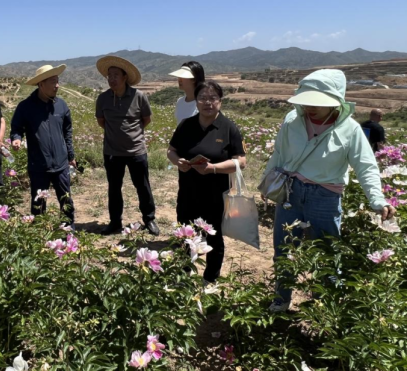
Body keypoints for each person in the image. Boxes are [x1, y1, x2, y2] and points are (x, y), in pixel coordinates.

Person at [263, 69, 396, 312]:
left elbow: (365, 166)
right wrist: (267, 182)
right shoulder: (292, 120)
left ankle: (324, 305)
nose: (310, 107)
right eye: (307, 101)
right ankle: (281, 298)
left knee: (327, 254)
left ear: (336, 101)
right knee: (283, 248)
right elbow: (279, 154)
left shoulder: (351, 129)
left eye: (318, 103)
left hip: (325, 196)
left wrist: (377, 199)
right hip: (290, 191)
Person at [166, 80, 247, 282]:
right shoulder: (187, 125)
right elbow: (171, 150)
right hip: (188, 192)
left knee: (214, 238)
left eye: (213, 98)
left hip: (216, 195)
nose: (207, 102)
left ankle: (210, 278)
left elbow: (241, 161)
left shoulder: (228, 128)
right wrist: (178, 162)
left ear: (220, 101)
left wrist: (213, 169)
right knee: (185, 235)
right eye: (202, 98)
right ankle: (183, 276)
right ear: (197, 101)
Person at [95, 56, 159, 236]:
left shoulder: (138, 96)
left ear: (125, 77)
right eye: (109, 75)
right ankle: (115, 222)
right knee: (114, 188)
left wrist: (132, 136)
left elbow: (146, 120)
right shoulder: (103, 99)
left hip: (136, 151)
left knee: (143, 186)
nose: (112, 79)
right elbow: (102, 122)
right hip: (112, 152)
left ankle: (149, 219)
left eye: (116, 75)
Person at [10, 65, 76, 227]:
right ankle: (39, 235)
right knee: (38, 204)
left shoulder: (61, 105)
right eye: (53, 82)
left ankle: (69, 231)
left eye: (58, 81)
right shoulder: (25, 107)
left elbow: (67, 132)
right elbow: (16, 128)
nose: (57, 85)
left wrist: (71, 155)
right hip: (38, 165)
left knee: (66, 201)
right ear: (41, 84)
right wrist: (16, 138)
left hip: (61, 164)